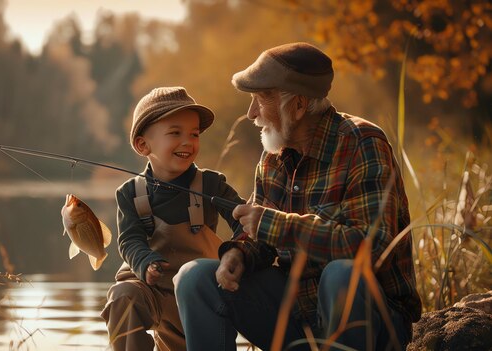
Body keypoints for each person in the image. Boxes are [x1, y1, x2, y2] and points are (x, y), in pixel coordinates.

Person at [174, 42, 422, 350]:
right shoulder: (272, 157)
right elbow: (260, 235)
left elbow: (371, 248)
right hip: (299, 317)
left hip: (375, 324)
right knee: (195, 277)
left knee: (341, 275)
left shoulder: (363, 144)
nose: (251, 113)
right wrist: (239, 253)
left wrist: (277, 225)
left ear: (299, 105)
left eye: (261, 99)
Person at [101, 87, 244, 351]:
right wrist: (144, 262)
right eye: (175, 133)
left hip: (201, 292)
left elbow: (242, 221)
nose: (188, 142)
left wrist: (236, 252)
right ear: (143, 145)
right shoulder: (130, 193)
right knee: (123, 296)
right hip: (151, 289)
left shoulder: (211, 184)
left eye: (194, 134)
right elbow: (130, 239)